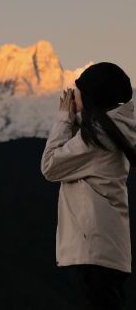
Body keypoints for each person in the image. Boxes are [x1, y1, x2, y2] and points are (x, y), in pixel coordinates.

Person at [40, 62, 136, 309]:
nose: (74, 94)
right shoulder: (115, 129)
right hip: (110, 250)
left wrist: (64, 120)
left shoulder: (96, 136)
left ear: (92, 95)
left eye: (79, 88)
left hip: (93, 249)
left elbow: (50, 166)